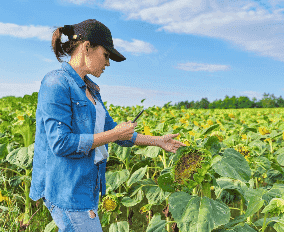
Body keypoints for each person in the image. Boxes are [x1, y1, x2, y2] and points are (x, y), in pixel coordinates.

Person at [29, 19, 186, 232]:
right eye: (106, 55)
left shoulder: (91, 89)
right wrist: (113, 134)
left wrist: (158, 141)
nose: (108, 63)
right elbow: (61, 143)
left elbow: (112, 130)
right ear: (87, 47)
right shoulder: (56, 83)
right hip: (66, 188)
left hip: (87, 186)